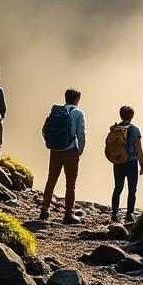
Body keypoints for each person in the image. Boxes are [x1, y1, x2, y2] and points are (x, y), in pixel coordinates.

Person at [39, 88, 86, 223]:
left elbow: (44, 130)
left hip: (55, 150)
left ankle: (44, 209)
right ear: (77, 99)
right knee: (70, 183)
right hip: (71, 151)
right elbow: (81, 134)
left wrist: (51, 144)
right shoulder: (78, 113)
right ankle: (68, 214)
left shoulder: (56, 111)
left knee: (51, 179)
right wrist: (80, 150)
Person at [107, 105, 143, 224]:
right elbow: (138, 148)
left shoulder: (115, 128)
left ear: (121, 115)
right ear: (132, 116)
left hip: (118, 162)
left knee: (118, 188)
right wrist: (142, 164)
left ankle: (114, 213)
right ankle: (129, 214)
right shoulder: (134, 129)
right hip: (131, 162)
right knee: (132, 189)